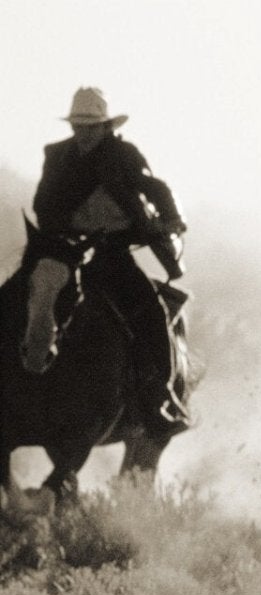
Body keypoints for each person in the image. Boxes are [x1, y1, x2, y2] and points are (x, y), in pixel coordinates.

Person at [31, 87, 190, 431]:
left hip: (111, 252)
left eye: (90, 127)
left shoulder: (124, 155)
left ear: (105, 127)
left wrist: (172, 218)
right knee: (26, 295)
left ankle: (160, 395)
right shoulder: (56, 156)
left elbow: (156, 188)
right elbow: (43, 203)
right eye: (78, 126)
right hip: (66, 248)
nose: (83, 134)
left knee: (151, 311)